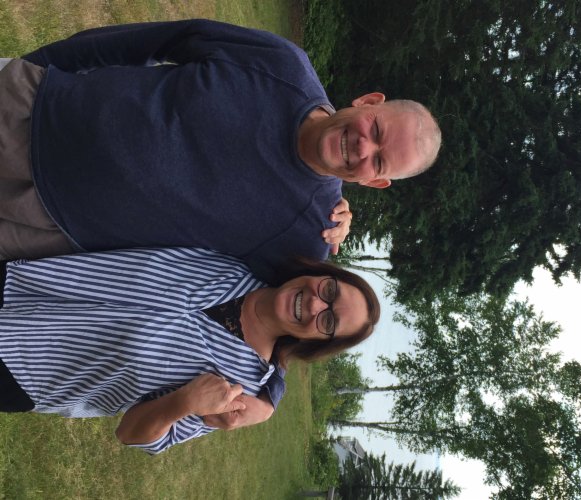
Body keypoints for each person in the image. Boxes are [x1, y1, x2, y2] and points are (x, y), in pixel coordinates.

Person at [0, 19, 441, 281]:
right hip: (31, 109)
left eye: (378, 159)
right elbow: (152, 40)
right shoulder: (281, 64)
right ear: (367, 101)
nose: (363, 146)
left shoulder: (308, 235)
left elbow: (273, 325)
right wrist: (35, 67)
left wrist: (270, 391)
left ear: (374, 181)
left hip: (46, 223)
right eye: (376, 129)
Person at [0, 247, 380, 454]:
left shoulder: (242, 389)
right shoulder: (242, 256)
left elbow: (131, 434)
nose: (315, 304)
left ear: (318, 342)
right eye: (330, 291)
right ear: (323, 274)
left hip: (26, 371)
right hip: (23, 284)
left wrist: (182, 403)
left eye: (328, 321)